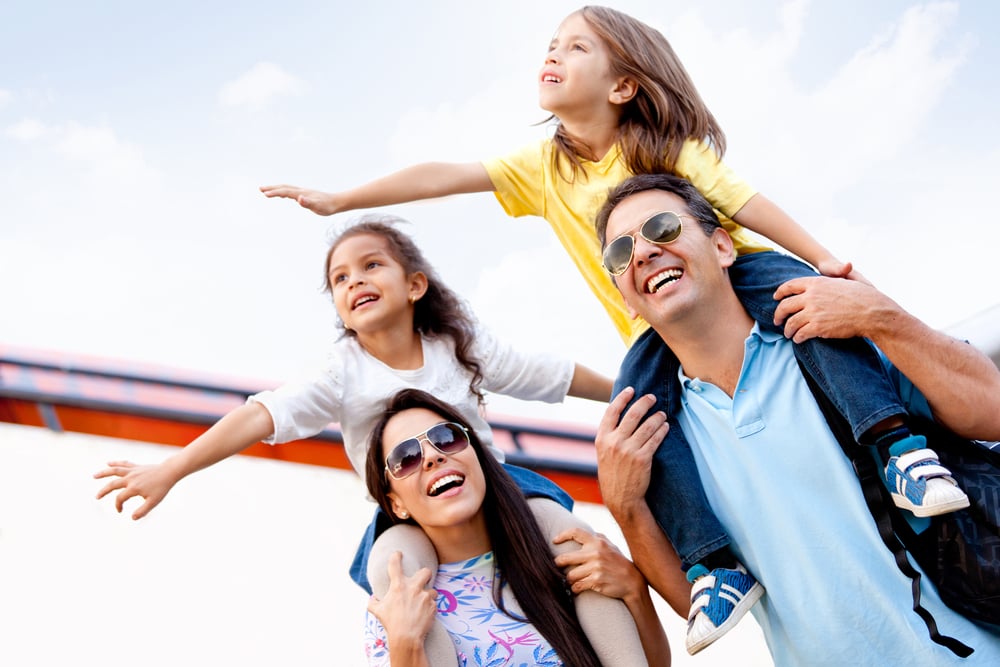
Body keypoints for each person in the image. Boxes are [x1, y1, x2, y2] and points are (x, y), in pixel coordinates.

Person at [258, 5, 969, 653]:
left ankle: (897, 446)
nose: (553, 53)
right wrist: (344, 196)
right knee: (643, 423)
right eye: (551, 44)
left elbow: (746, 205)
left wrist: (821, 259)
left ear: (624, 85)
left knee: (815, 313)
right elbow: (447, 175)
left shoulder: (668, 151)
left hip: (737, 277)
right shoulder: (544, 169)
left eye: (576, 46)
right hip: (654, 328)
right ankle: (714, 564)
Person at [93, 214, 647, 666]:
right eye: (340, 278)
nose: (354, 280)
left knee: (577, 542)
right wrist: (172, 468)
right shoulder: (342, 371)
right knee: (398, 578)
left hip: (502, 487)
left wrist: (633, 385)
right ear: (338, 307)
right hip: (408, 516)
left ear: (414, 285)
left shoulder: (455, 345)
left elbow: (548, 373)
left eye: (371, 265)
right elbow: (261, 414)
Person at [591, 171, 1000, 665]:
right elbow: (692, 602)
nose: (642, 253)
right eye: (619, 252)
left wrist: (883, 317)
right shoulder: (655, 442)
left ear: (722, 246)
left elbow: (992, 411)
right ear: (626, 301)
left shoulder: (837, 335)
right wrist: (625, 506)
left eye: (662, 228)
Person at [363, 388, 670, 666]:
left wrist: (634, 589)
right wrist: (405, 643)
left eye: (445, 438)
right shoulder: (394, 605)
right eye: (406, 457)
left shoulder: (560, 553)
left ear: (477, 454)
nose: (432, 456)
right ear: (395, 504)